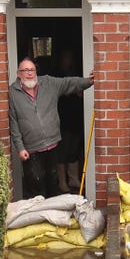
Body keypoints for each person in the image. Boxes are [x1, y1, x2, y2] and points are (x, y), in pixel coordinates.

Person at [7, 57, 94, 200]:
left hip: (52, 144)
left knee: (52, 184)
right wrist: (20, 148)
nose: (30, 73)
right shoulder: (13, 93)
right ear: (18, 73)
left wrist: (88, 81)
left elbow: (69, 83)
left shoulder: (48, 83)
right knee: (35, 186)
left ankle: (53, 217)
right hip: (31, 149)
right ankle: (37, 216)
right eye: (25, 70)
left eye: (32, 70)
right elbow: (14, 122)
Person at [53, 49, 85, 195]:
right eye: (66, 57)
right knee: (62, 152)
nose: (68, 60)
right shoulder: (57, 76)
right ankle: (62, 182)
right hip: (62, 119)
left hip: (76, 119)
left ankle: (73, 180)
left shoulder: (77, 72)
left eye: (70, 57)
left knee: (73, 150)